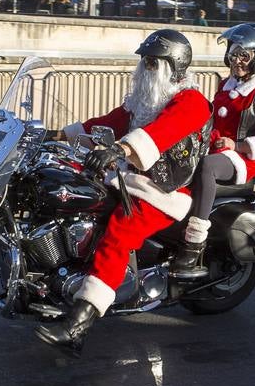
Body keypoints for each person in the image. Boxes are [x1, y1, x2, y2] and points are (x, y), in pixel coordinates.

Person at [35, 30, 212, 355]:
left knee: (119, 233)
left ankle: (78, 325)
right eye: (143, 61)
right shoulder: (143, 103)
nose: (144, 68)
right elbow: (108, 122)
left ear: (173, 66)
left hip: (162, 191)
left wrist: (119, 150)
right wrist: (57, 135)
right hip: (128, 179)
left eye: (152, 62)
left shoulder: (191, 102)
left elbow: (161, 133)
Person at [169, 23, 255, 279]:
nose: (237, 61)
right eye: (234, 54)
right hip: (218, 150)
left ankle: (195, 240)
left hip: (246, 159)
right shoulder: (226, 84)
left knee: (208, 166)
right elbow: (212, 120)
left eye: (244, 56)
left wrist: (238, 145)